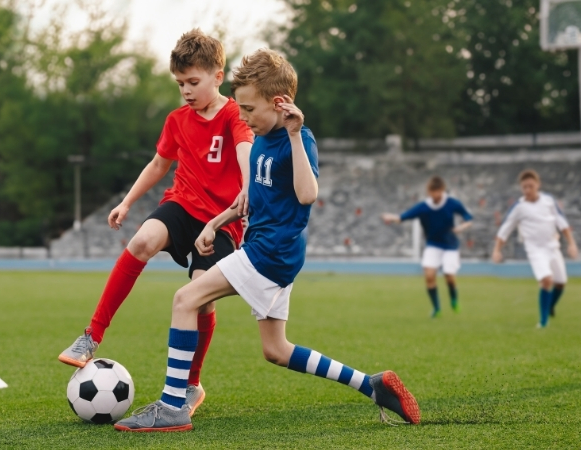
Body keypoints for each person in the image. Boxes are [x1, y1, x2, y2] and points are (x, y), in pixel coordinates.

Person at [113, 49, 420, 432]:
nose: (242, 118)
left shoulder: (297, 139)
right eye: (239, 108)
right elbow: (249, 200)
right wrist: (216, 222)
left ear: (279, 104)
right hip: (269, 251)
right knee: (276, 350)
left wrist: (293, 134)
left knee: (184, 299)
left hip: (270, 253)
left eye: (249, 110)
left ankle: (173, 405)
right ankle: (372, 385)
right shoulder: (259, 135)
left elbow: (307, 195)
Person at [58, 29, 254, 416]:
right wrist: (127, 202)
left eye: (193, 82)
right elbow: (159, 164)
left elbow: (245, 147)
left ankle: (192, 385)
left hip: (220, 221)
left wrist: (247, 189)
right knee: (141, 241)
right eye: (180, 83)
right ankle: (91, 335)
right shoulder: (177, 119)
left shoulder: (235, 114)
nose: (185, 90)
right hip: (181, 205)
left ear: (218, 76)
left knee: (200, 297)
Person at [492, 169, 578, 328]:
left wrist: (572, 244)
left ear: (538, 185)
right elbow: (505, 229)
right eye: (524, 187)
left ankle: (550, 305)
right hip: (535, 250)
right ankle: (543, 321)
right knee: (546, 280)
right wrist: (496, 250)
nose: (527, 190)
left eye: (530, 186)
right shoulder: (519, 207)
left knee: (560, 283)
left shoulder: (549, 201)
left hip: (553, 247)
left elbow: (562, 223)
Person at [381, 176, 473, 317]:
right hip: (433, 244)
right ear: (428, 192)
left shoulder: (452, 203)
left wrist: (462, 227)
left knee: (449, 276)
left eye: (437, 192)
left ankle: (454, 299)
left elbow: (468, 217)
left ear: (442, 190)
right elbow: (403, 217)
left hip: (450, 245)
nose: (434, 195)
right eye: (432, 192)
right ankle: (437, 309)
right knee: (429, 276)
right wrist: (391, 217)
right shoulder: (424, 207)